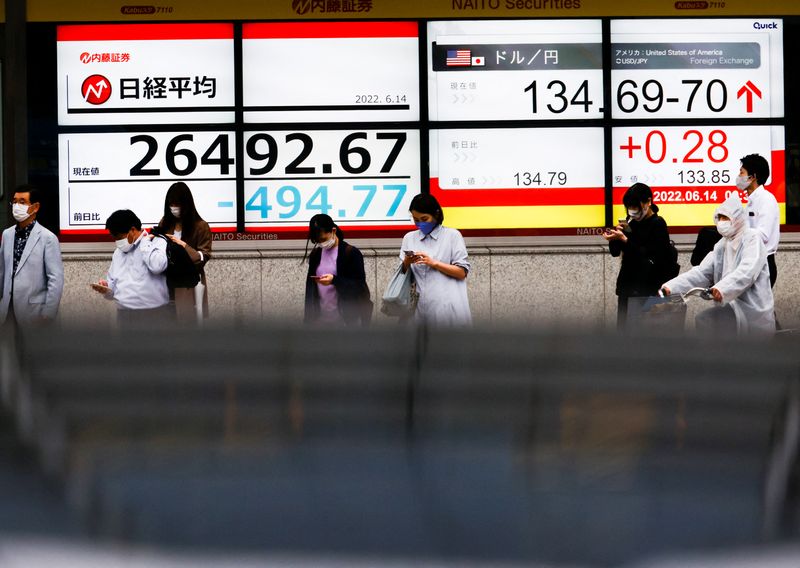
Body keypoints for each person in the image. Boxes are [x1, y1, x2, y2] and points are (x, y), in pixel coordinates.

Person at [661, 192, 774, 336]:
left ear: (738, 219)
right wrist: (671, 287)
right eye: (719, 218)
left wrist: (722, 288)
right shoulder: (722, 245)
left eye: (726, 218)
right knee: (706, 321)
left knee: (707, 320)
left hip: (751, 311)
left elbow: (747, 271)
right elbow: (701, 272)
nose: (721, 222)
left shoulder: (752, 238)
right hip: (729, 307)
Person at [602, 183, 674, 328]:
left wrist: (626, 240)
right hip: (627, 286)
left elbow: (651, 257)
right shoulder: (630, 221)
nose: (633, 211)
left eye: (636, 207)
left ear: (648, 202)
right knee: (623, 331)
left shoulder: (658, 224)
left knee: (641, 333)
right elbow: (615, 253)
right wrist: (614, 238)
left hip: (647, 288)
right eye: (629, 207)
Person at [400, 193, 471, 326]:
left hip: (449, 309)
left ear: (436, 214)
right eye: (415, 219)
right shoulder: (409, 238)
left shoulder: (452, 236)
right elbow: (402, 275)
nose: (420, 223)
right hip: (419, 311)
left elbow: (462, 272)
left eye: (424, 218)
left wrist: (433, 263)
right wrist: (406, 263)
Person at [91, 209, 172, 325]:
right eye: (115, 238)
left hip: (154, 314)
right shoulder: (118, 253)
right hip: (124, 316)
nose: (117, 242)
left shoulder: (156, 242)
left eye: (119, 237)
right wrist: (106, 288)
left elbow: (158, 266)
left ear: (133, 230)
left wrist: (145, 242)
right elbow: (113, 287)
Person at [0, 185, 64, 327]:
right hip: (7, 312)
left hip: (34, 312)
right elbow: (2, 272)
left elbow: (55, 279)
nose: (16, 206)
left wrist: (48, 313)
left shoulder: (48, 238)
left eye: (22, 202)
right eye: (14, 202)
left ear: (35, 207)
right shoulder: (7, 234)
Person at [156, 182, 212, 322]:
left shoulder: (201, 226)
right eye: (171, 204)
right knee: (166, 321)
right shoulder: (165, 223)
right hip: (166, 279)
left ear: (186, 204)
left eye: (177, 204)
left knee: (188, 321)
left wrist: (183, 246)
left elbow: (204, 256)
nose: (174, 208)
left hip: (189, 283)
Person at [303, 214, 372, 326]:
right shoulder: (316, 254)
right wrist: (308, 320)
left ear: (333, 230)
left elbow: (359, 286)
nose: (321, 243)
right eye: (318, 241)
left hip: (346, 323)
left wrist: (334, 280)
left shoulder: (351, 253)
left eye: (323, 239)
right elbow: (310, 290)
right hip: (319, 323)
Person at [738, 153, 779, 287]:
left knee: (760, 307)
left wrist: (739, 234)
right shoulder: (750, 200)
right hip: (750, 260)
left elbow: (763, 235)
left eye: (742, 172)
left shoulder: (766, 199)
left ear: (753, 177)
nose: (739, 177)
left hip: (763, 263)